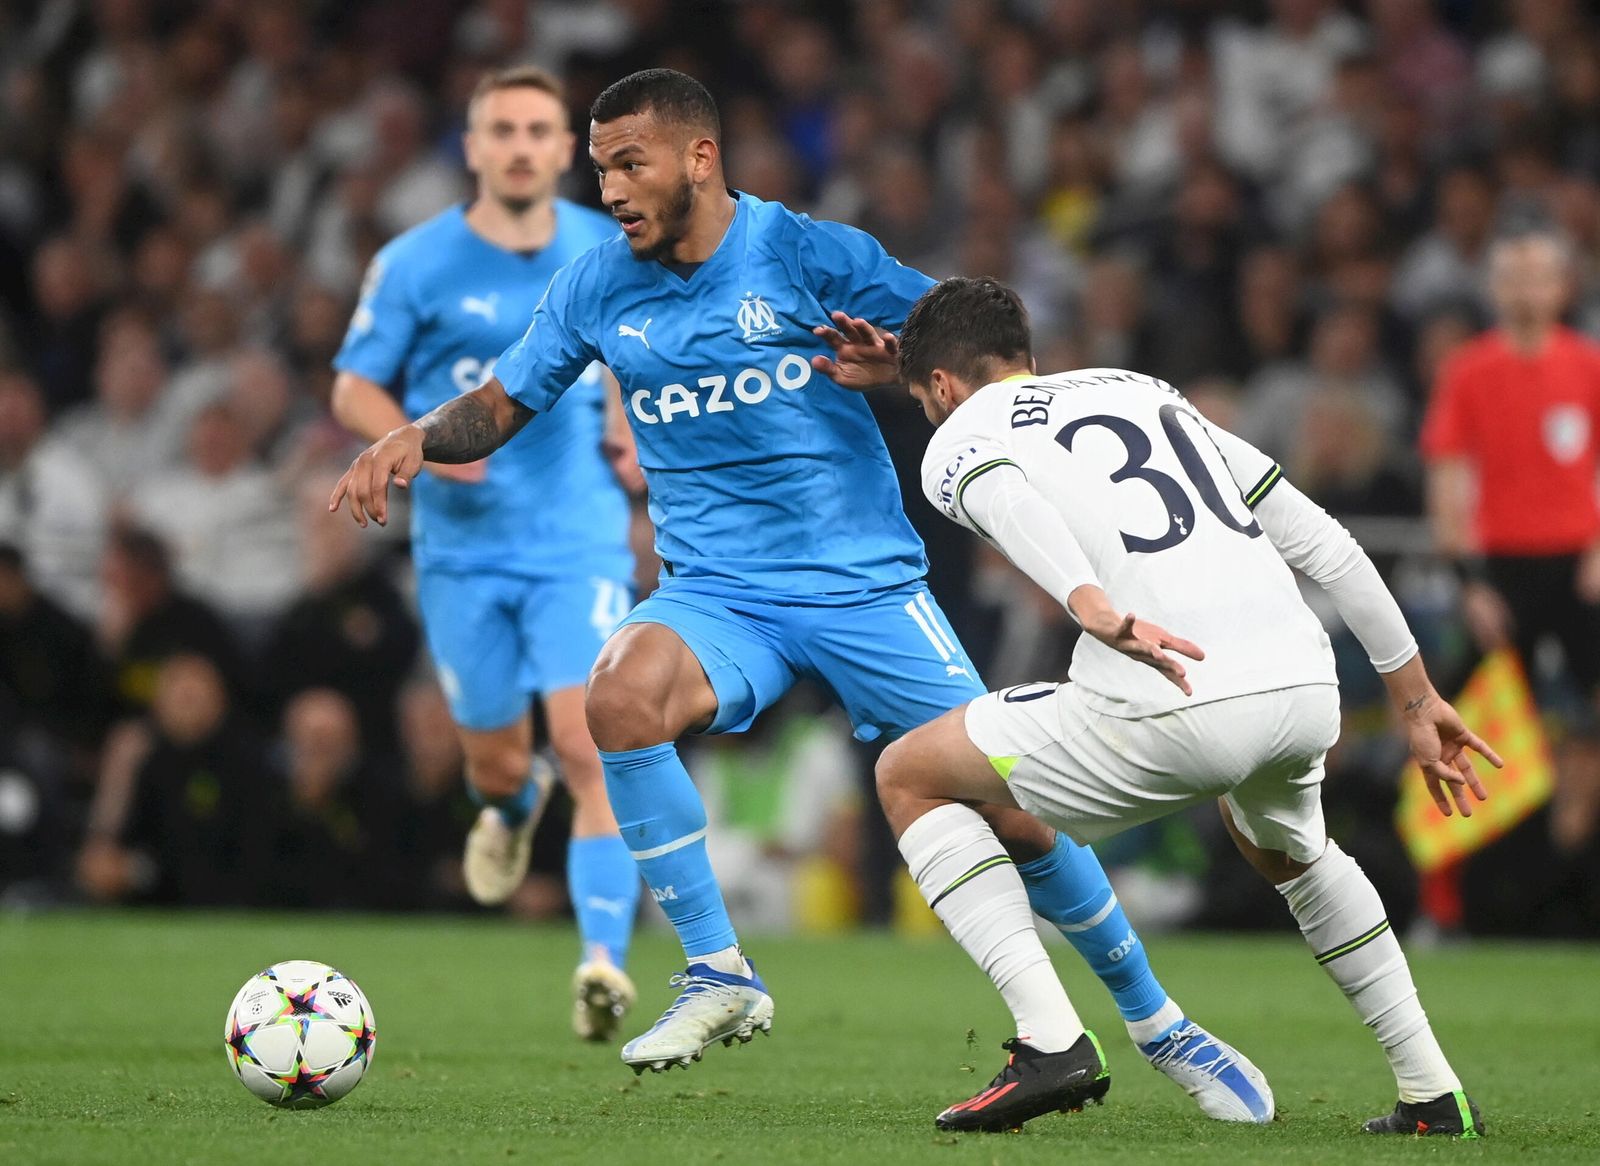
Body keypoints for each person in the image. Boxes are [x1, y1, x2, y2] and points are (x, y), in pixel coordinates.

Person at [331, 68, 1271, 1123]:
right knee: (619, 696)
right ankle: (718, 971)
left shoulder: (807, 253)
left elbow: (986, 364)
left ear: (700, 158)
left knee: (1012, 812)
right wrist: (415, 436)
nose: (612, 190)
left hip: (859, 584)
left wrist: (897, 372)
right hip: (717, 592)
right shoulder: (596, 285)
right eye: (599, 170)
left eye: (630, 163)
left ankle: (1158, 1021)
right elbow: (504, 401)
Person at [877, 275, 1498, 1136]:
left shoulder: (962, 431)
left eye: (924, 401)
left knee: (909, 774)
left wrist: (1087, 602)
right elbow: (1325, 541)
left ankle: (1050, 1041)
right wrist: (1416, 695)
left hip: (1171, 691)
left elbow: (1004, 498)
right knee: (1291, 851)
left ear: (942, 386)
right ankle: (1432, 1091)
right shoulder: (1147, 392)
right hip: (1300, 685)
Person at [329, 65, 644, 1041]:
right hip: (463, 553)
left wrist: (627, 419)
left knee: (591, 742)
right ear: (472, 148)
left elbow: (639, 339)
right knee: (500, 763)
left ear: (564, 151)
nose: (518, 146)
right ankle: (509, 807)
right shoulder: (415, 261)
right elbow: (352, 385)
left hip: (577, 539)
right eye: (500, 129)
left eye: (538, 130)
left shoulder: (607, 245)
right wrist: (410, 439)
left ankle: (602, 964)